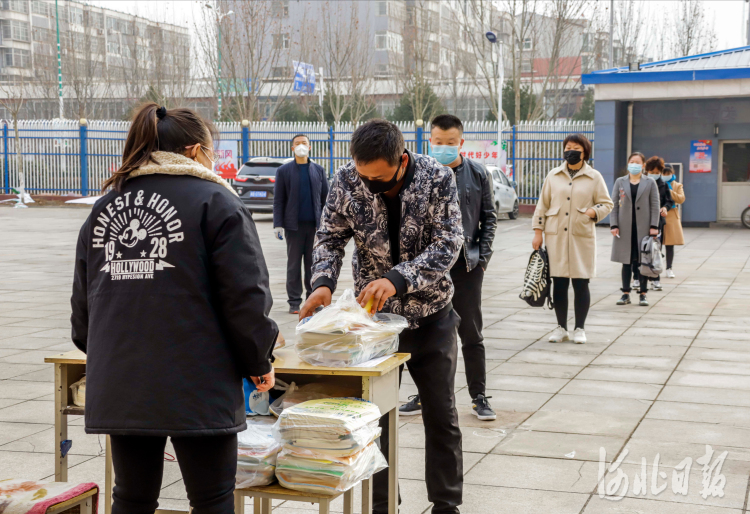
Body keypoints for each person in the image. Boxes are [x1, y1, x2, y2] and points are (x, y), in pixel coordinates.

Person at [71, 103, 278, 514]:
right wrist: (259, 357)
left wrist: (108, 358)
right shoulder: (217, 202)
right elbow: (245, 296)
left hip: (123, 380)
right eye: (211, 150)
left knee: (131, 497)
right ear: (193, 151)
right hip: (198, 379)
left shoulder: (103, 209)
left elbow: (83, 309)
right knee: (212, 499)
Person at [299, 120, 464, 514]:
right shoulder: (345, 180)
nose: (370, 183)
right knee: (375, 420)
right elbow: (329, 236)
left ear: (401, 161)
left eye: (379, 178)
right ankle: (383, 505)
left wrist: (397, 279)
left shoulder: (437, 178)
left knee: (441, 416)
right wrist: (322, 280)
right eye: (363, 176)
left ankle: (446, 504)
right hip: (373, 326)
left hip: (431, 318)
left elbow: (449, 242)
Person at [399, 114, 497, 421]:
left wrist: (482, 257)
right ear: (430, 140)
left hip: (467, 267)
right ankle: (423, 393)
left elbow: (489, 217)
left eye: (450, 143)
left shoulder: (477, 173)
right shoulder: (418, 175)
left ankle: (478, 395)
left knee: (471, 332)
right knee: (424, 331)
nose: (444, 148)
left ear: (461, 142)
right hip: (429, 270)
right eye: (438, 142)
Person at [532, 133, 613, 344]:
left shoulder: (594, 177)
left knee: (580, 283)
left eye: (576, 147)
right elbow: (543, 205)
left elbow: (607, 204)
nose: (571, 151)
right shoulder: (553, 175)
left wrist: (592, 213)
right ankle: (561, 328)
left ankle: (579, 328)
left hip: (581, 236)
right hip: (555, 236)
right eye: (568, 147)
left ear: (585, 151)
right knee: (558, 283)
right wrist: (537, 231)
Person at [273, 134, 329, 314]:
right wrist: (278, 224)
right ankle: (294, 303)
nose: (301, 146)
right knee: (294, 265)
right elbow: (279, 200)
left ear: (310, 147)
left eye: (304, 143)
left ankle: (313, 300)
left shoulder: (318, 170)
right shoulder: (284, 171)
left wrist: (327, 224)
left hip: (315, 227)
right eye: (297, 144)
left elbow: (326, 200)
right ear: (292, 148)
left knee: (314, 265)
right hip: (293, 227)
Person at [610, 152, 660, 307]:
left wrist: (654, 226)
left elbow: (655, 205)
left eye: (638, 162)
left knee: (642, 261)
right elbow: (613, 204)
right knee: (626, 262)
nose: (634, 164)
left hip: (644, 228)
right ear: (628, 164)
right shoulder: (620, 181)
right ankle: (625, 293)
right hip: (624, 228)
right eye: (632, 161)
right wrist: (614, 224)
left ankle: (643, 294)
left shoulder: (650, 182)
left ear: (643, 165)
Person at [644, 156, 672, 291]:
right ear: (647, 170)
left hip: (657, 222)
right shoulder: (641, 182)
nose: (654, 175)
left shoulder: (663, 184)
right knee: (641, 251)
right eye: (652, 172)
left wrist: (665, 207)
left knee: (656, 251)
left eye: (657, 173)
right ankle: (638, 279)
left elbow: (669, 200)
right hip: (642, 221)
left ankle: (655, 280)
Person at [661, 164, 685, 277]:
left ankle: (669, 268)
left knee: (670, 244)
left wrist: (669, 190)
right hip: (658, 214)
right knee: (656, 243)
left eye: (668, 174)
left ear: (672, 173)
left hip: (671, 215)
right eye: (664, 174)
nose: (666, 176)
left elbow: (681, 199)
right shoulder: (656, 183)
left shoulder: (677, 185)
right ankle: (655, 267)